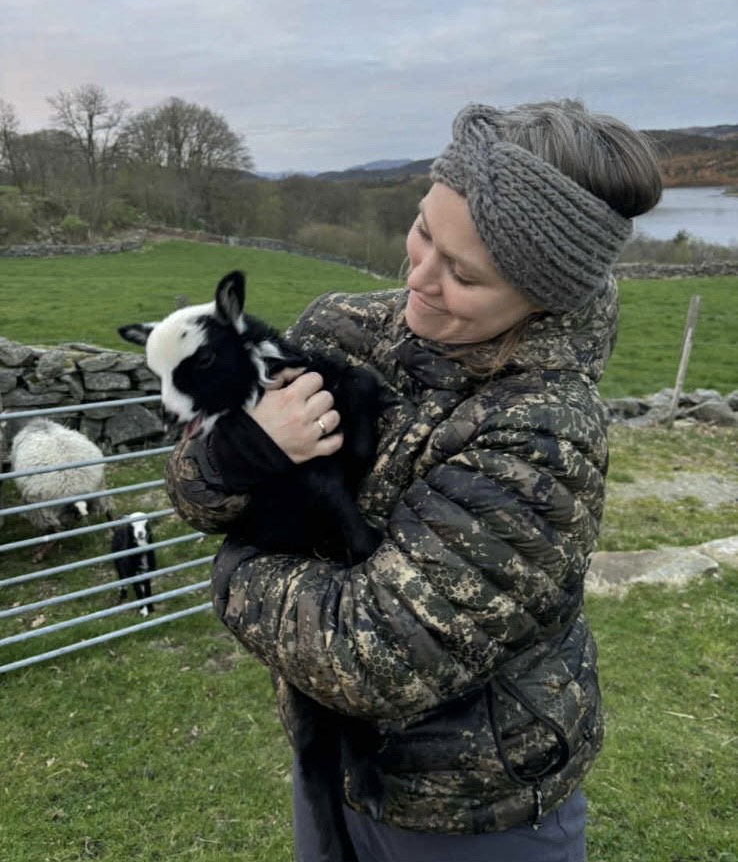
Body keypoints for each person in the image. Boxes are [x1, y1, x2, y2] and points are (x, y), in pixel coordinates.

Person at [166, 100, 662, 862]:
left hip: (471, 812)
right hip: (328, 763)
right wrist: (238, 454)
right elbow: (191, 487)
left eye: (464, 273)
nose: (420, 278)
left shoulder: (543, 433)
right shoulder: (341, 326)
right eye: (425, 230)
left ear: (543, 296)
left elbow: (372, 655)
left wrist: (234, 571)